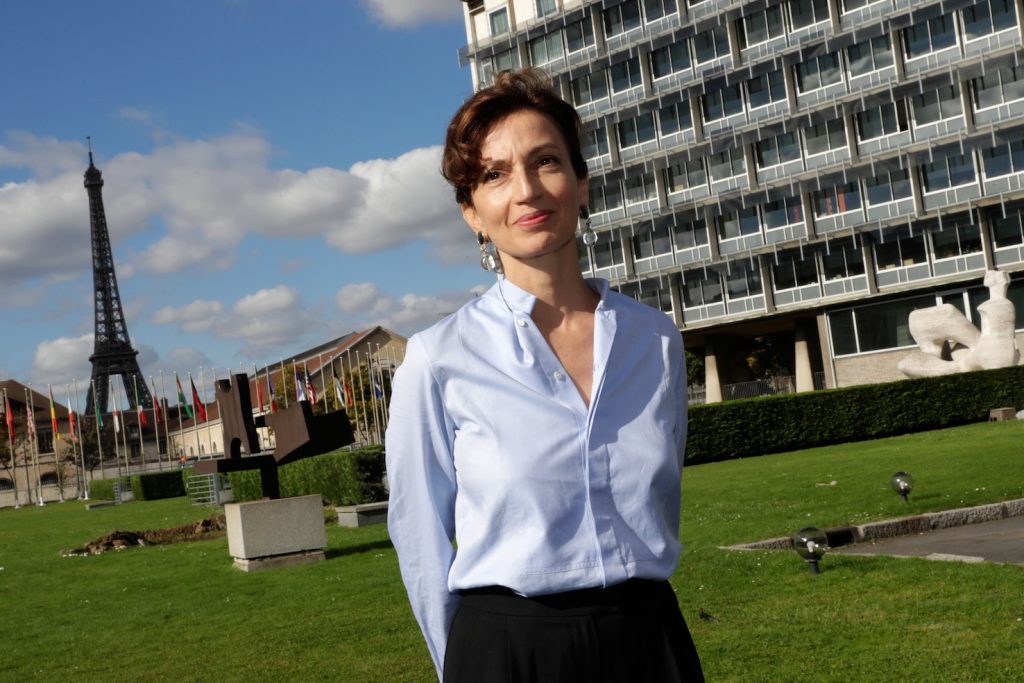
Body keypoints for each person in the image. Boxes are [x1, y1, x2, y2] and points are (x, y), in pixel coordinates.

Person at [386, 68, 703, 683]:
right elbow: (420, 541)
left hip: (648, 639)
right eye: (495, 174)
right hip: (508, 652)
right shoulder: (438, 358)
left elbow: (662, 501)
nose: (527, 190)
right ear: (472, 212)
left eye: (547, 162)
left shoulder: (655, 340)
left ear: (581, 185)